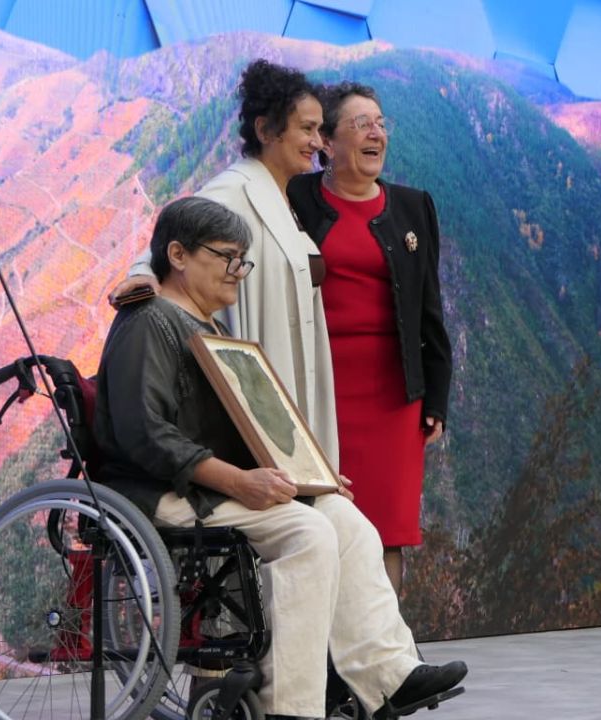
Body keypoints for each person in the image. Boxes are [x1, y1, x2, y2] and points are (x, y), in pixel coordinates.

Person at [94, 196, 467, 720]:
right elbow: (144, 434)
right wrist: (240, 482)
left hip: (209, 486)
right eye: (226, 257)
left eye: (241, 259)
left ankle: (390, 676)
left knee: (345, 521)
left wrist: (309, 475)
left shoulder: (208, 328)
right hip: (161, 492)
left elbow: (244, 429)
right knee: (307, 535)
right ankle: (287, 709)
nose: (237, 270)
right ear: (177, 255)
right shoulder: (148, 321)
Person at [109, 58, 340, 470]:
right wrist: (143, 274)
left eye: (320, 130)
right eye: (307, 129)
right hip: (266, 352)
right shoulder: (236, 188)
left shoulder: (281, 196)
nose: (317, 141)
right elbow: (176, 236)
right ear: (265, 130)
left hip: (293, 354)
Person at [287, 81, 452, 593]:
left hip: (395, 397)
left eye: (381, 123)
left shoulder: (413, 207)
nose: (376, 132)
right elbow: (217, 219)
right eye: (361, 124)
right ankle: (326, 641)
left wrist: (436, 399)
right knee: (321, 527)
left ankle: (386, 642)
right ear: (328, 142)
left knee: (387, 532)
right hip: (320, 393)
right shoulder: (296, 198)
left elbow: (429, 308)